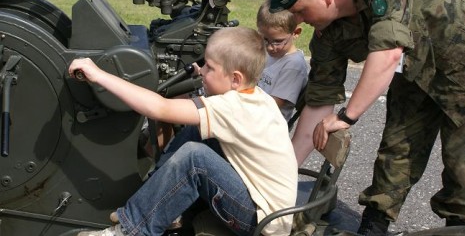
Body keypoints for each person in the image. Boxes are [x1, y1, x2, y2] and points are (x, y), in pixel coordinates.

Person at [269, 0, 465, 235]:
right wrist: (281, 174)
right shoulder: (326, 31)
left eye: (301, 11)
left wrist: (347, 116)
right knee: (398, 145)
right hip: (416, 60)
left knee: (464, 162)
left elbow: (388, 53)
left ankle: (459, 229)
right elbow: (318, 105)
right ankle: (374, 226)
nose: (299, 21)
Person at [70, 26, 298, 236]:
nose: (202, 71)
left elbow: (160, 108)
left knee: (194, 157)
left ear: (235, 79)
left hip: (263, 223)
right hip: (259, 203)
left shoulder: (233, 108)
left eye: (210, 67)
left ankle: (132, 230)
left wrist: (98, 75)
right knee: (198, 130)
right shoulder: (254, 97)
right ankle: (158, 200)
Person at [256, 0, 308, 122]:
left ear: (296, 33)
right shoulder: (272, 52)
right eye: (265, 39)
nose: (269, 47)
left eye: (278, 41)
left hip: (267, 128)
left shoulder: (293, 66)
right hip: (253, 118)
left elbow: (272, 105)